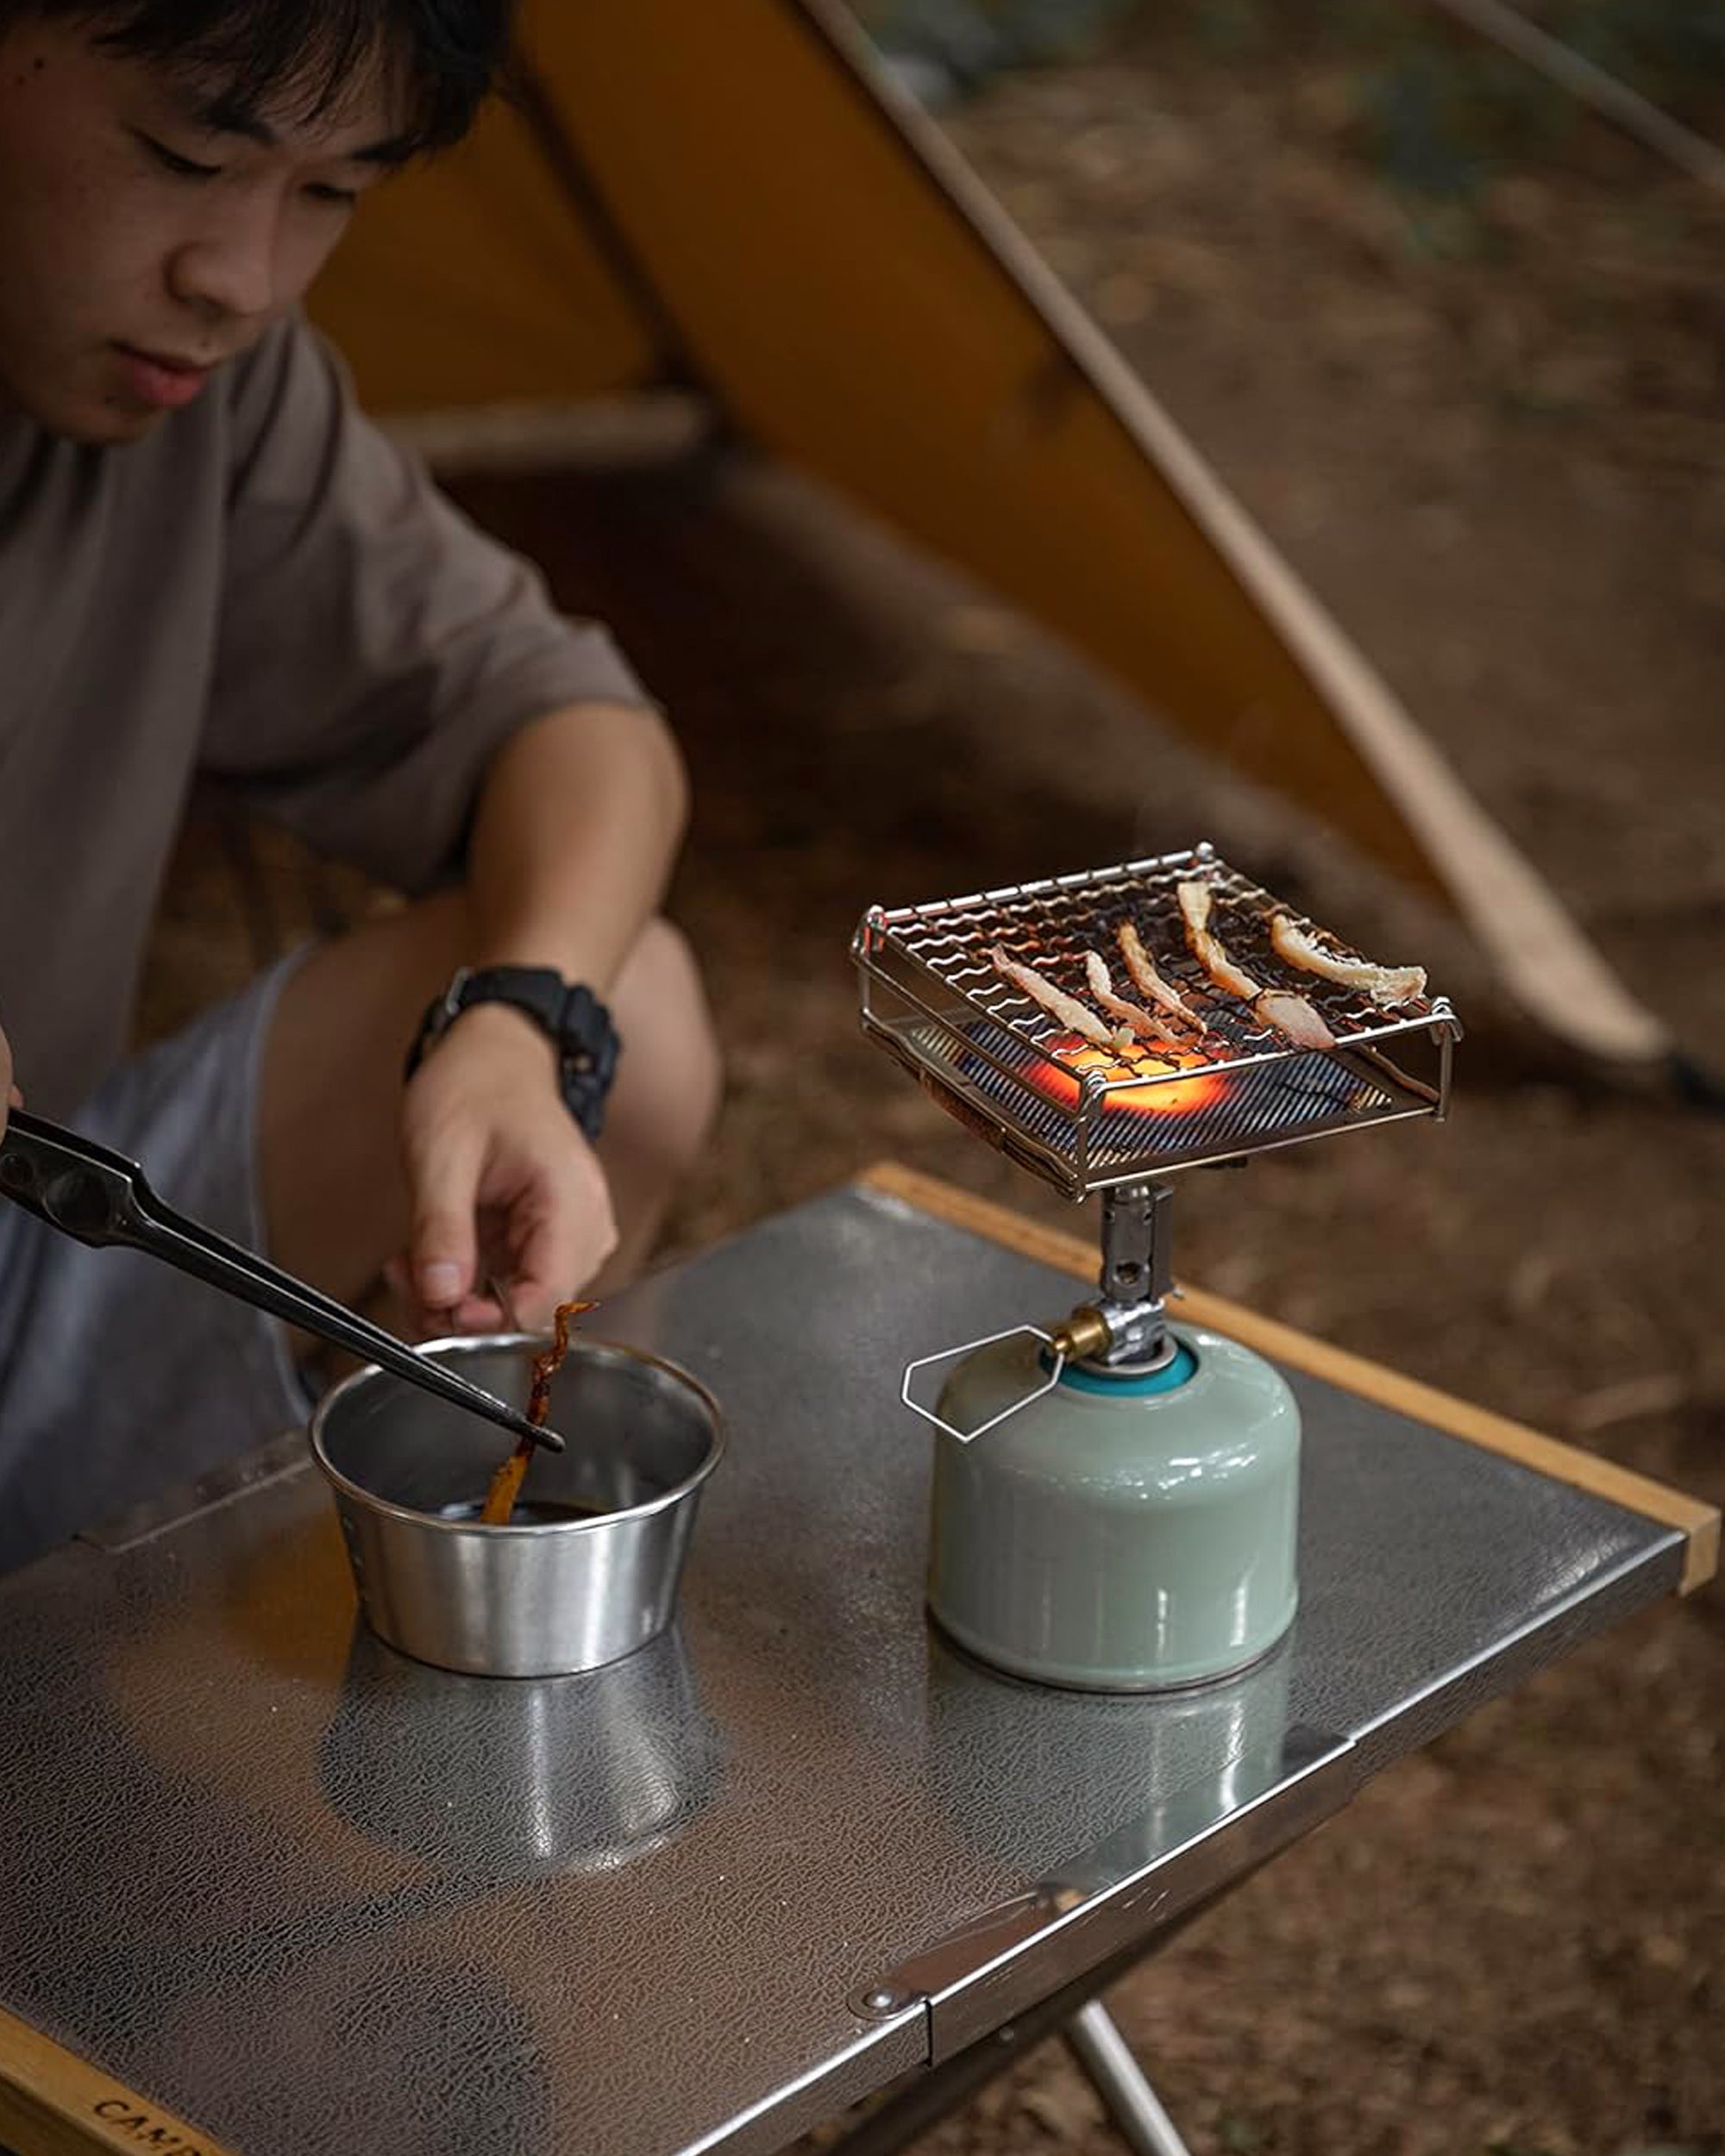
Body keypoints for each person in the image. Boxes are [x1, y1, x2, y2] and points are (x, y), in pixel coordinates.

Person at [0, 0, 721, 1572]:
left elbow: (575, 724)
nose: (240, 280)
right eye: (185, 153)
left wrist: (521, 1027)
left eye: (332, 193)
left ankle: (231, 1687)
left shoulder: (206, 398)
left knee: (627, 1015)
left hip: (29, 1251)